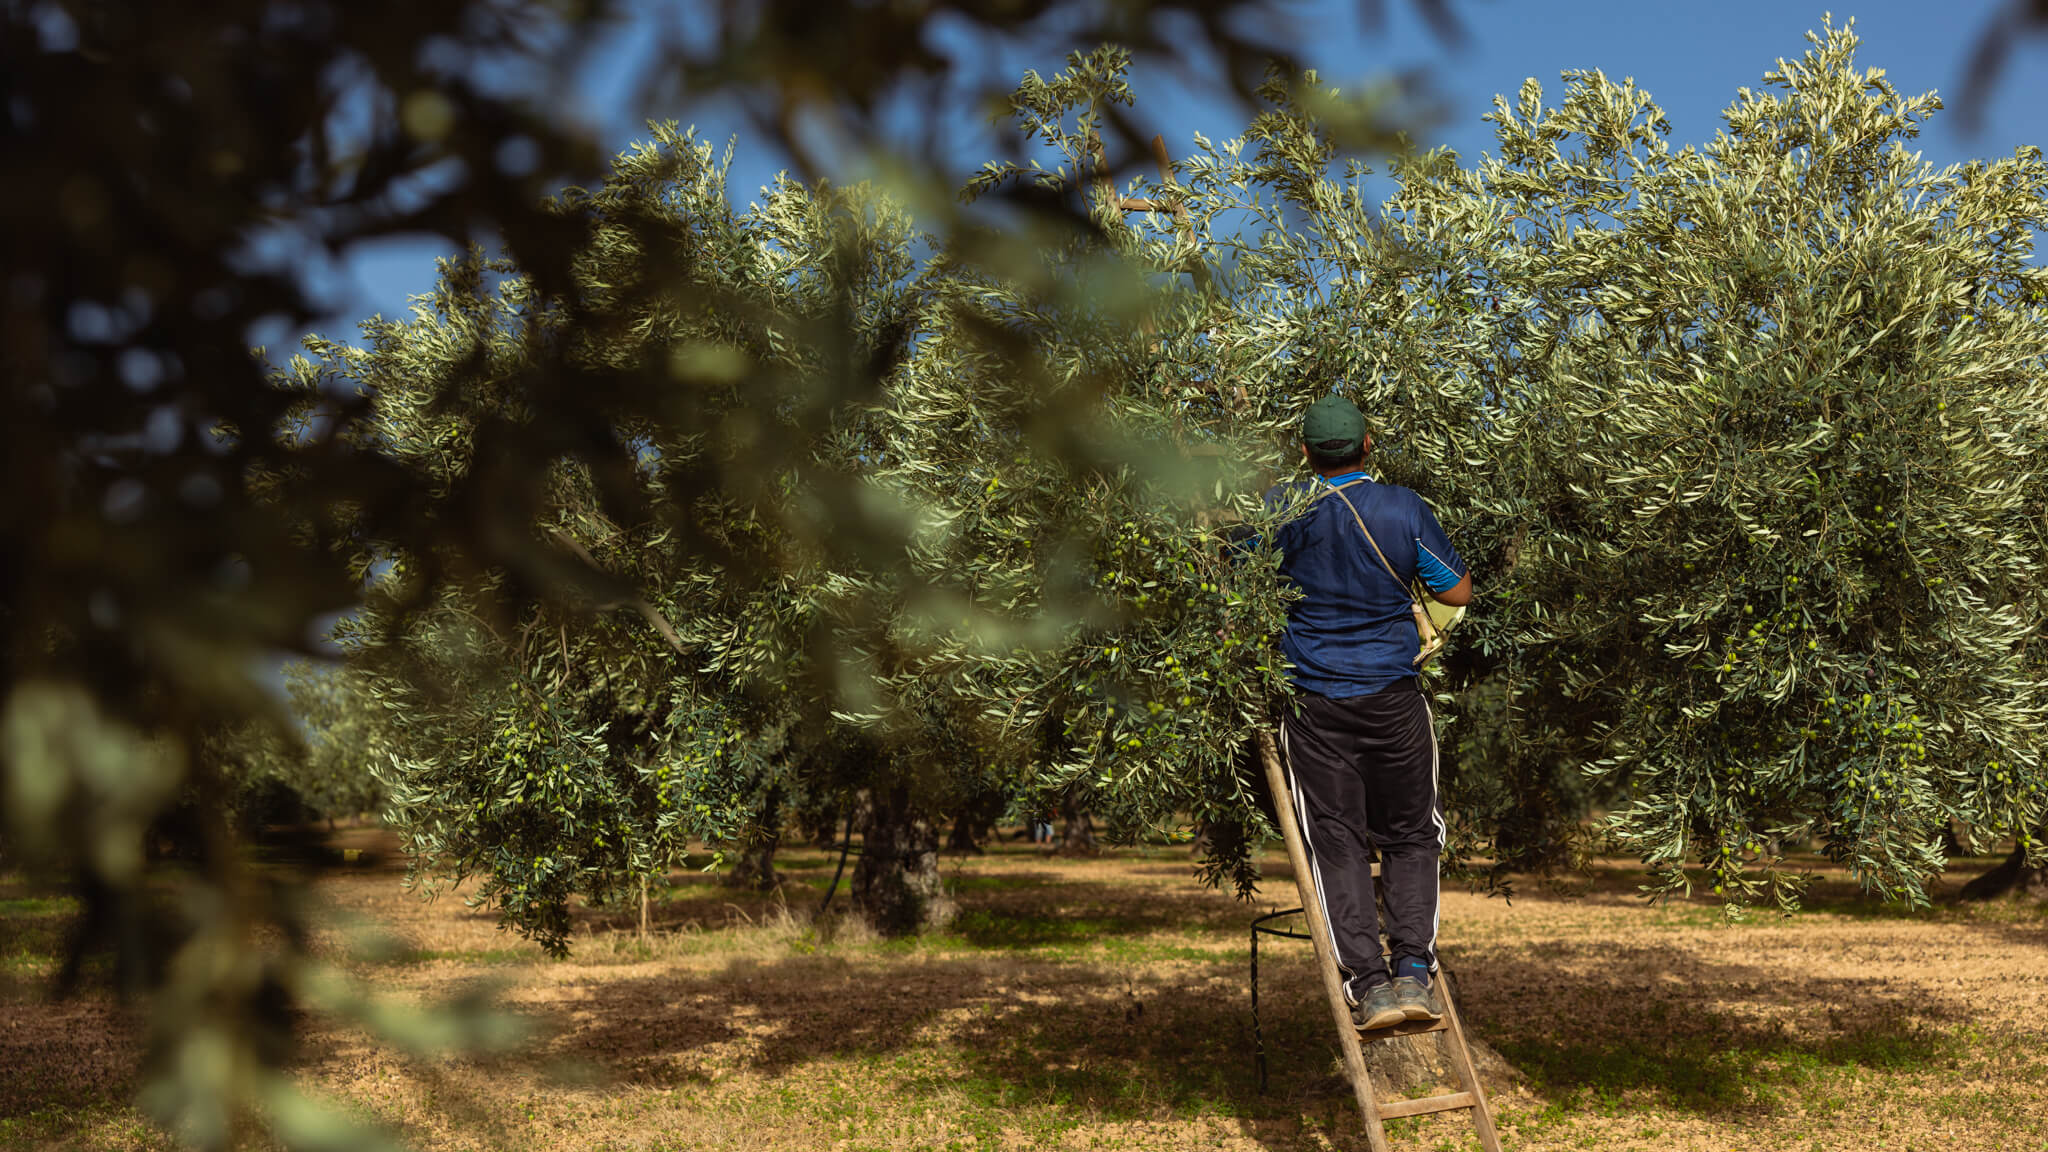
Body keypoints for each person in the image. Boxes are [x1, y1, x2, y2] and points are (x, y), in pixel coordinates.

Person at [1267, 393, 1473, 1032]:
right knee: (1413, 833)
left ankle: (1369, 985)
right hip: (1393, 698)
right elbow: (1456, 591)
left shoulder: (1277, 509)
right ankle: (1414, 972)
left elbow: (1235, 582)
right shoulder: (1402, 507)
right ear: (1368, 446)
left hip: (1314, 703)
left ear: (1303, 453)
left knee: (1336, 841)